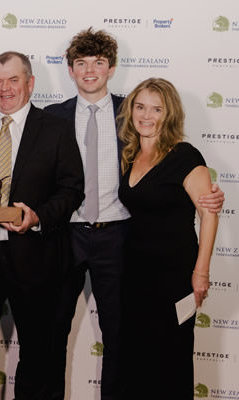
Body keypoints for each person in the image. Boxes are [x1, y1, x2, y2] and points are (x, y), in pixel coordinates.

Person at [45, 29, 225, 400]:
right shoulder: (52, 118)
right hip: (67, 237)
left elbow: (174, 167)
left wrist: (209, 196)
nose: (90, 71)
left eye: (98, 63)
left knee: (120, 339)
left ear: (111, 68)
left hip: (119, 241)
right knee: (51, 332)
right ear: (70, 69)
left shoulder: (131, 111)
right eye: (81, 63)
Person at [0, 51, 84, 399]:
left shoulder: (56, 128)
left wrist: (38, 216)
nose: (5, 89)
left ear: (30, 83)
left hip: (36, 257)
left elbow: (72, 188)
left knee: (36, 354)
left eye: (13, 80)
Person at [117, 78, 218, 399]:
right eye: (140, 106)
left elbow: (209, 214)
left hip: (174, 277)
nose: (147, 115)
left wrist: (200, 272)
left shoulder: (185, 156)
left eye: (156, 109)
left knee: (170, 361)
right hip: (134, 274)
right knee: (137, 362)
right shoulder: (130, 154)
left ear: (169, 114)